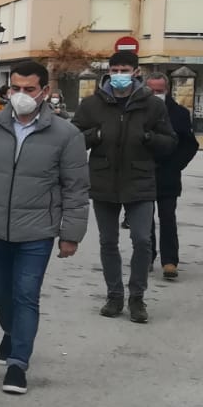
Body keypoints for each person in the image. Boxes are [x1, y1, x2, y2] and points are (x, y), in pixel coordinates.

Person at [0, 59, 90, 396]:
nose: (21, 95)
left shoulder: (66, 135)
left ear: (45, 91)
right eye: (15, 88)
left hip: (38, 231)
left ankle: (18, 364)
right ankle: (13, 333)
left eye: (29, 89)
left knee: (25, 295)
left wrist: (71, 234)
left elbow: (76, 188)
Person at [71, 51, 174, 324]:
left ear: (136, 72)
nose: (118, 75)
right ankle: (114, 295)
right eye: (114, 69)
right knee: (108, 241)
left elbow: (169, 142)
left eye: (124, 70)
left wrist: (149, 137)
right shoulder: (93, 104)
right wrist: (96, 135)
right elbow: (74, 138)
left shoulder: (152, 105)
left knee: (142, 239)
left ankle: (137, 297)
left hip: (140, 181)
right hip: (104, 180)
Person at [145, 72, 198, 281]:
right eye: (152, 91)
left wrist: (176, 165)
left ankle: (169, 261)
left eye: (160, 91)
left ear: (166, 90)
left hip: (168, 175)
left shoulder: (179, 113)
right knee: (143, 220)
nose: (156, 94)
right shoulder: (137, 111)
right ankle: (146, 256)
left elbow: (190, 144)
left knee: (167, 218)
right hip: (143, 174)